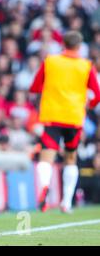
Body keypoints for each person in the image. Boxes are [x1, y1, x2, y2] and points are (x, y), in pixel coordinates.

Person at [30, 30, 100, 213]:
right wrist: (89, 104)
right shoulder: (86, 66)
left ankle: (45, 186)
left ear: (63, 44)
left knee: (46, 157)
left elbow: (35, 87)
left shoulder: (50, 62)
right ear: (79, 46)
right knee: (70, 158)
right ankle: (66, 202)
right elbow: (97, 95)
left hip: (52, 115)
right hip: (73, 117)